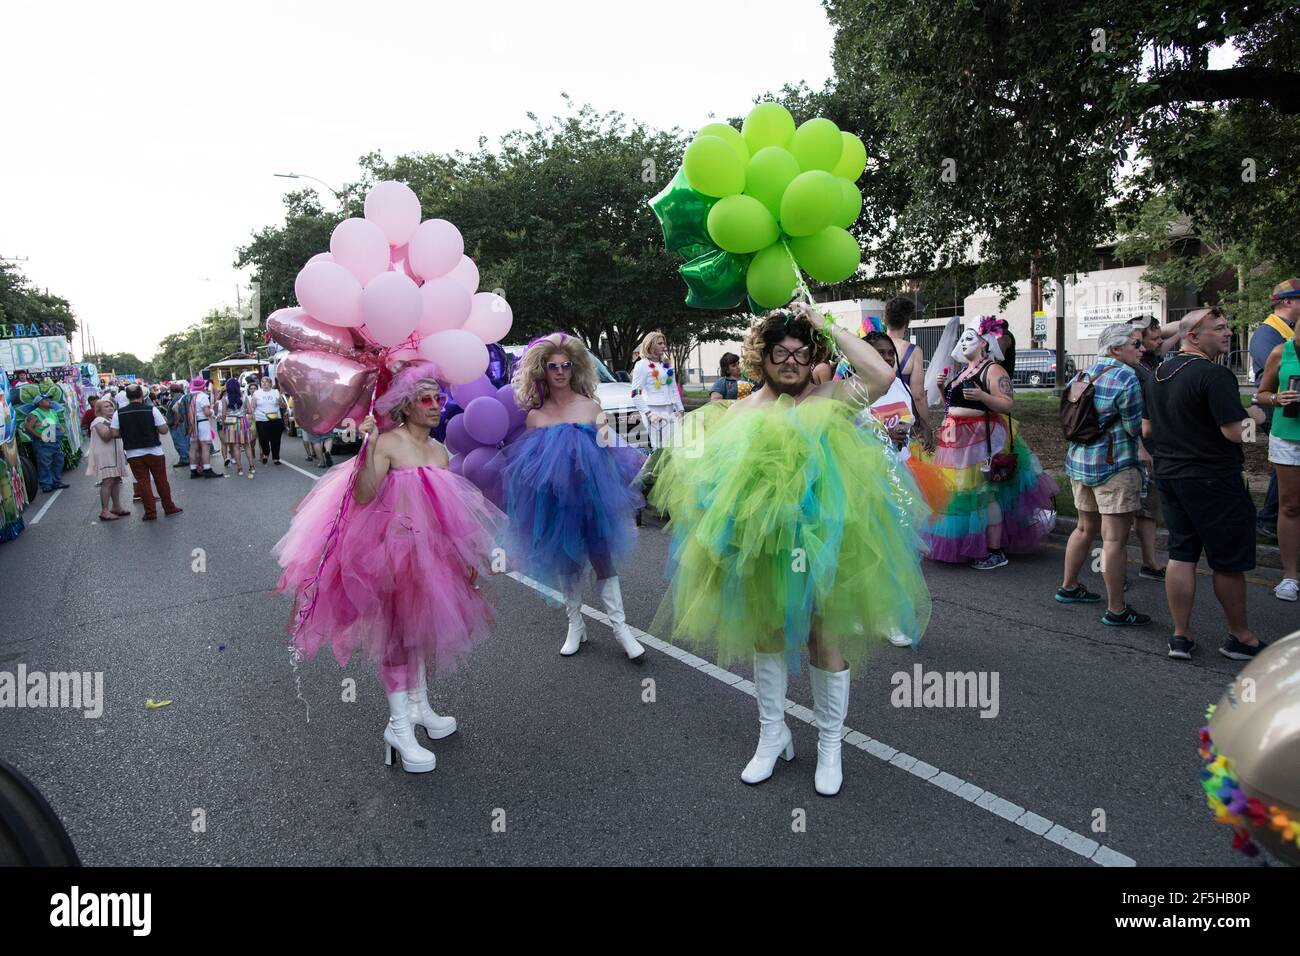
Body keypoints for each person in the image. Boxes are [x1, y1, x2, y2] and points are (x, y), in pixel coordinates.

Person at [650, 305, 931, 796]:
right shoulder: (739, 411)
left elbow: (882, 375)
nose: (791, 362)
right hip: (765, 551)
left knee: (825, 638)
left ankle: (829, 747)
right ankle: (771, 737)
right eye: (780, 352)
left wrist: (826, 325)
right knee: (768, 634)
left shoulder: (831, 397)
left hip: (828, 548)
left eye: (802, 353)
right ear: (762, 357)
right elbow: (711, 490)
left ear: (813, 357)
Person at [274, 362, 501, 774]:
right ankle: (398, 727)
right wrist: (367, 449)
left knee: (420, 631)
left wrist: (463, 556)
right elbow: (363, 495)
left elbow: (448, 512)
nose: (436, 406)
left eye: (439, 398)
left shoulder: (439, 450)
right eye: (426, 399)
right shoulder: (389, 444)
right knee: (397, 636)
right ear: (404, 405)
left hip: (432, 554)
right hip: (391, 554)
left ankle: (420, 707)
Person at [500, 333, 647, 659]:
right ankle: (575, 624)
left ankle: (621, 628)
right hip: (555, 501)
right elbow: (530, 467)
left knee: (602, 558)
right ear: (543, 370)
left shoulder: (591, 407)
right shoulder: (536, 416)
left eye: (566, 365)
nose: (560, 372)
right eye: (553, 366)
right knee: (566, 561)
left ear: (576, 367)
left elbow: (610, 452)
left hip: (592, 498)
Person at [1144, 308, 1264, 661]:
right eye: (1220, 328)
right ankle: (1240, 637)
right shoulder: (1214, 375)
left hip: (1169, 476)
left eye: (1228, 326)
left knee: (1182, 553)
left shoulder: (1159, 373)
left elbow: (1147, 430)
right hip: (1213, 478)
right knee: (1226, 561)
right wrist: (1256, 420)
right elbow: (1233, 432)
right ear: (1194, 337)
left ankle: (1180, 636)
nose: (1228, 333)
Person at [922, 317, 1057, 569]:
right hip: (957, 440)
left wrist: (984, 395)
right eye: (962, 339)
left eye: (969, 339)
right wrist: (942, 389)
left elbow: (1007, 404)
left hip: (981, 439)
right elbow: (953, 406)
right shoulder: (965, 370)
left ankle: (994, 550)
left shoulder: (993, 369)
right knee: (962, 493)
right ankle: (972, 544)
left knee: (986, 494)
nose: (963, 344)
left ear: (984, 343)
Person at [1056, 323, 1151, 626]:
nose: (1142, 349)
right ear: (1116, 349)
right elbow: (1134, 427)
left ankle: (1069, 586)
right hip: (1115, 465)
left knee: (1084, 528)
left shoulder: (1082, 375)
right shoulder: (1127, 378)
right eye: (1136, 344)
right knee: (1114, 539)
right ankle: (1117, 609)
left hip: (1080, 462)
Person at [1249, 279, 1300, 541]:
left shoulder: (1287, 329)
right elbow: (1274, 377)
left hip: (1290, 408)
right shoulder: (1268, 333)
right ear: (1288, 301)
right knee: (1284, 467)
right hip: (1275, 408)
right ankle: (1268, 519)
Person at [1252, 325, 1300, 601]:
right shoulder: (1282, 352)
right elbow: (1261, 393)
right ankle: (1290, 576)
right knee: (1290, 505)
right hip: (1288, 437)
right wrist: (1277, 398)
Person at [109, 385, 182, 520]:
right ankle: (169, 507)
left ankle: (150, 512)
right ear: (142, 396)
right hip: (154, 450)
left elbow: (114, 433)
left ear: (127, 397)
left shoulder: (118, 413)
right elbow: (164, 430)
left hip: (133, 453)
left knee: (143, 482)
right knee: (161, 480)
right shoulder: (151, 410)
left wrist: (127, 434)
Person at [884, 296, 935, 451]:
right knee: (901, 464)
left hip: (873, 419)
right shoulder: (913, 352)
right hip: (901, 420)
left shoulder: (868, 344)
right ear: (907, 323)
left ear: (885, 320)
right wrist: (926, 427)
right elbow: (918, 395)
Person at [630, 330, 684, 450]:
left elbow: (673, 387)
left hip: (671, 410)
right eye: (660, 343)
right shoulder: (642, 365)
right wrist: (649, 414)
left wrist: (680, 409)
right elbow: (635, 393)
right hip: (654, 411)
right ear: (650, 345)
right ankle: (652, 468)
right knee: (660, 450)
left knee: (675, 447)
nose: (664, 346)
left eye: (663, 343)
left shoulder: (666, 364)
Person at [84, 398, 131, 521]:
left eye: (111, 406)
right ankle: (104, 510)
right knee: (108, 481)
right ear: (99, 410)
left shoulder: (110, 420)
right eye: (106, 406)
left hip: (114, 454)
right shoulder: (98, 420)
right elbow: (105, 436)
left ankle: (116, 507)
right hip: (106, 455)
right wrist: (116, 427)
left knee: (115, 480)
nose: (110, 408)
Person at [20, 390, 69, 492]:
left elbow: (57, 423)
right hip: (43, 443)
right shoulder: (35, 413)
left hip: (55, 442)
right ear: (40, 402)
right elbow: (28, 427)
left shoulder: (52, 412)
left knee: (58, 461)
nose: (50, 401)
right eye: (46, 400)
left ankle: (56, 482)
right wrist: (39, 436)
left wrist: (61, 430)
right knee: (44, 464)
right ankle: (46, 485)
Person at [220, 377, 255, 478]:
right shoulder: (243, 397)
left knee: (235, 446)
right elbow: (250, 411)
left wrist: (223, 424)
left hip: (231, 423)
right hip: (243, 422)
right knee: (247, 445)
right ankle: (252, 467)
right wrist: (243, 413)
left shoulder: (225, 399)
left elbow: (223, 414)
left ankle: (240, 469)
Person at [251, 377, 288, 465]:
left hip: (276, 418)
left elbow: (283, 406)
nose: (264, 383)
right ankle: (266, 453)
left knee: (276, 439)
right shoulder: (257, 393)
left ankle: (276, 458)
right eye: (262, 382)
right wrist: (251, 417)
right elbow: (253, 407)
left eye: (266, 382)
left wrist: (280, 402)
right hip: (261, 419)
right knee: (263, 439)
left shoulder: (275, 392)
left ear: (270, 384)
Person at [187, 376, 216, 478]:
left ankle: (193, 470)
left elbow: (175, 408)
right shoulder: (202, 396)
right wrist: (212, 411)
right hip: (202, 422)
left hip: (192, 424)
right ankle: (207, 469)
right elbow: (207, 412)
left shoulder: (187, 396)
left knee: (193, 447)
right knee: (205, 446)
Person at [163, 382, 190, 469]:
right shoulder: (183, 397)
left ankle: (184, 459)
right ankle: (187, 457)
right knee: (185, 441)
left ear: (172, 391)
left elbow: (176, 411)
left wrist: (175, 423)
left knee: (179, 441)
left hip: (177, 424)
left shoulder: (176, 399)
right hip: (183, 422)